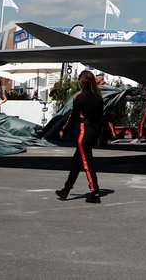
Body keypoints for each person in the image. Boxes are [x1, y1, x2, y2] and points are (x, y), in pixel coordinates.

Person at [56, 71, 107, 204]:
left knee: (87, 163)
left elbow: (72, 116)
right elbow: (101, 118)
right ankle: (65, 190)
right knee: (76, 162)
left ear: (82, 82)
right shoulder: (98, 97)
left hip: (84, 133)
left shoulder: (80, 97)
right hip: (93, 132)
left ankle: (95, 192)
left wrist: (63, 130)